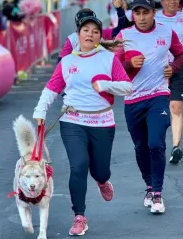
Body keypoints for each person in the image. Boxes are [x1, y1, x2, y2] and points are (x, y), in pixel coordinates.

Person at [33, 15, 133, 235]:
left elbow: (127, 87)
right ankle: (79, 216)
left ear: (100, 37)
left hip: (103, 122)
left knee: (100, 170)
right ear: (78, 35)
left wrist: (105, 85)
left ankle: (103, 180)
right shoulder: (68, 61)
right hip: (72, 121)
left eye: (95, 31)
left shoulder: (108, 59)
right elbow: (52, 89)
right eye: (86, 30)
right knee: (78, 166)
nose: (90, 34)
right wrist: (40, 111)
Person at [115, 0, 183, 213]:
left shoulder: (166, 32)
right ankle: (149, 185)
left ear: (153, 13)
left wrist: (173, 68)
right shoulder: (124, 35)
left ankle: (157, 193)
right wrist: (128, 64)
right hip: (133, 99)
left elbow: (182, 54)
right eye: (137, 13)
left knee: (156, 143)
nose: (142, 17)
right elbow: (112, 67)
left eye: (146, 12)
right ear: (132, 14)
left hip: (158, 96)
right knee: (140, 147)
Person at [154, 0, 183, 164]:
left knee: (175, 107)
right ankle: (155, 145)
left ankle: (176, 146)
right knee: (158, 110)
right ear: (162, 1)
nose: (172, 2)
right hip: (157, 69)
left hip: (178, 67)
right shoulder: (155, 18)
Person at [58, 0, 130, 63]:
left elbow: (120, 30)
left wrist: (120, 10)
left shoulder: (99, 33)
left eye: (91, 23)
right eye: (86, 28)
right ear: (78, 27)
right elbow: (61, 63)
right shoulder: (72, 39)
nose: (90, 34)